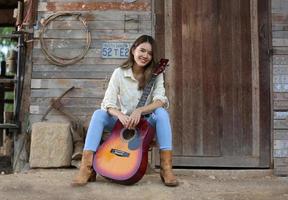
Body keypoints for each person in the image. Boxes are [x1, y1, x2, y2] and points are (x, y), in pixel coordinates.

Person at [71, 35, 179, 187]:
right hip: (123, 121)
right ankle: (86, 168)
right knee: (98, 114)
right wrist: (120, 114)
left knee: (161, 113)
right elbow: (107, 102)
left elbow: (160, 100)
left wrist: (140, 110)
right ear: (134, 49)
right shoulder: (119, 73)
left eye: (150, 53)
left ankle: (166, 169)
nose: (145, 56)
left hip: (146, 121)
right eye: (142, 50)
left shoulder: (156, 73)